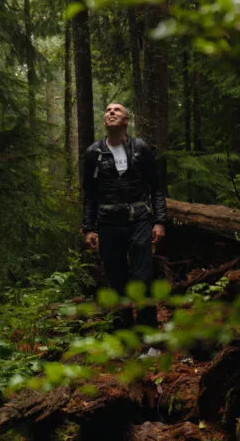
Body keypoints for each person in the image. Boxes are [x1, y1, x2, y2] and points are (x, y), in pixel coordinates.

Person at [81, 103, 167, 329]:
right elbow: (90, 195)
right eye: (108, 110)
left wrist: (159, 221)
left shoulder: (140, 148)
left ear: (126, 121)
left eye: (117, 110)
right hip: (108, 225)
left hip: (139, 221)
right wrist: (89, 228)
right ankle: (124, 337)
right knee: (116, 282)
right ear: (104, 121)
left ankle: (149, 339)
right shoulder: (93, 153)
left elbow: (156, 188)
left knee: (142, 279)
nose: (111, 113)